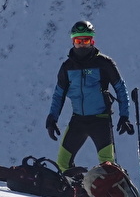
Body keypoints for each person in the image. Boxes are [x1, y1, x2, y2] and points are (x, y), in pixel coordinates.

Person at [45, 19, 133, 171]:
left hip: (101, 121)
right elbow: (59, 94)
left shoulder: (104, 63)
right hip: (78, 120)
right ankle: (73, 193)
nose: (82, 44)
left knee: (109, 168)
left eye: (86, 40)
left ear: (92, 41)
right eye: (79, 40)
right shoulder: (67, 67)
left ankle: (107, 194)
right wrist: (52, 118)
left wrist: (124, 116)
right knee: (62, 164)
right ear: (73, 41)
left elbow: (120, 88)